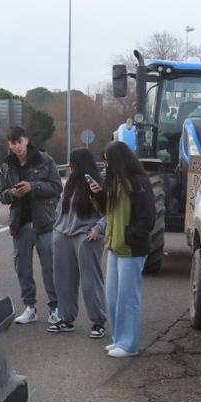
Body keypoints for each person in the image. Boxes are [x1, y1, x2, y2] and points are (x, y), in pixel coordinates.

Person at [92, 140, 156, 358]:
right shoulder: (115, 182)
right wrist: (98, 194)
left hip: (131, 249)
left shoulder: (137, 182)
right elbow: (107, 211)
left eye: (108, 162)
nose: (106, 166)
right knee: (113, 297)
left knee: (128, 298)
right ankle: (119, 340)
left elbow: (148, 217)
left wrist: (130, 235)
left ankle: (129, 345)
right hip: (115, 247)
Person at [0, 126, 61, 325]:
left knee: (50, 268)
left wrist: (34, 186)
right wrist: (12, 194)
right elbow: (1, 194)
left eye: (19, 142)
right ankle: (30, 308)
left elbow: (57, 187)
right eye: (13, 143)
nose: (17, 146)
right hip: (20, 224)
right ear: (9, 144)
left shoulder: (45, 160)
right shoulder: (7, 165)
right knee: (23, 269)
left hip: (43, 223)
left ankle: (56, 308)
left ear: (26, 140)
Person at [49, 148, 107, 337]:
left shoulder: (98, 182)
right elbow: (61, 207)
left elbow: (110, 210)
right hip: (63, 235)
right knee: (63, 280)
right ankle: (66, 319)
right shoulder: (71, 182)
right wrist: (56, 229)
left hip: (87, 236)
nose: (69, 165)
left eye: (72, 162)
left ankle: (98, 321)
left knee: (91, 282)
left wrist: (98, 228)